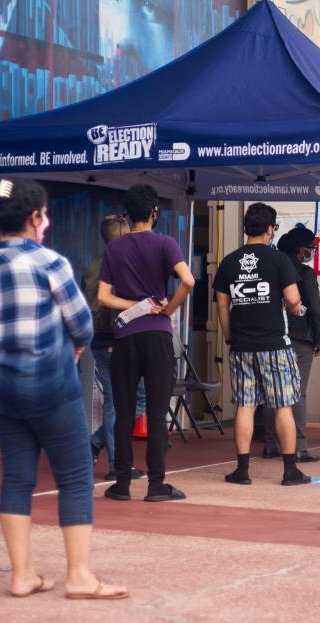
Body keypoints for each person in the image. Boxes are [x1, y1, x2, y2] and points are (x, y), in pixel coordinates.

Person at [0, 177, 127, 599]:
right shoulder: (50, 263)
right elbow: (81, 322)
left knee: (17, 477)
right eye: (44, 214)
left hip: (1, 384)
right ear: (34, 217)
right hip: (49, 382)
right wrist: (76, 348)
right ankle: (79, 575)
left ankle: (22, 574)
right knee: (76, 475)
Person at [98, 184, 194, 502]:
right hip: (158, 335)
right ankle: (156, 485)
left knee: (123, 411)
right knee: (155, 411)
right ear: (155, 212)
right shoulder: (166, 243)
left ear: (127, 215)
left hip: (125, 337)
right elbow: (188, 280)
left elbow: (102, 297)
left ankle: (122, 483)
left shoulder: (114, 249)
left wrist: (131, 306)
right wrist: (169, 308)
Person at [214, 203, 311, 486]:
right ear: (270, 228)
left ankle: (242, 471)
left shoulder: (229, 262)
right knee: (282, 406)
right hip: (275, 345)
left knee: (246, 406)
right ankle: (290, 470)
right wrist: (294, 308)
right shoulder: (279, 259)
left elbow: (222, 306)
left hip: (242, 345)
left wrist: (230, 336)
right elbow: (293, 299)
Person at [81, 214, 145, 481]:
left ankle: (96, 443)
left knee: (124, 399)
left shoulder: (93, 266)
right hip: (118, 339)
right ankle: (118, 464)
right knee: (125, 400)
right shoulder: (123, 266)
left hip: (98, 340)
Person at [261, 227, 320, 463]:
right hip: (299, 337)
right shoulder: (305, 272)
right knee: (297, 392)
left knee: (271, 391)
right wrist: (318, 338)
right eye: (311, 248)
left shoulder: (270, 266)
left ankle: (270, 443)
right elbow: (315, 309)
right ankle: (298, 446)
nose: (312, 253)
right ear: (301, 250)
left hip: (271, 335)